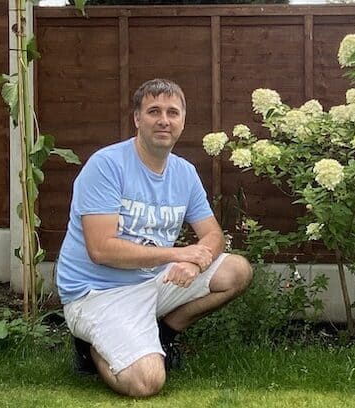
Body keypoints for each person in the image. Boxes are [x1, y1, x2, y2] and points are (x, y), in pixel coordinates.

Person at [55, 78, 253, 397]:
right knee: (146, 382)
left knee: (236, 271)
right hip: (98, 293)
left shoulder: (184, 172)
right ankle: (91, 349)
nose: (164, 120)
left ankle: (164, 334)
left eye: (173, 112)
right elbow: (100, 249)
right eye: (154, 111)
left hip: (153, 283)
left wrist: (197, 265)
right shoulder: (106, 166)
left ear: (183, 120)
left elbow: (213, 235)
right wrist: (178, 255)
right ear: (137, 118)